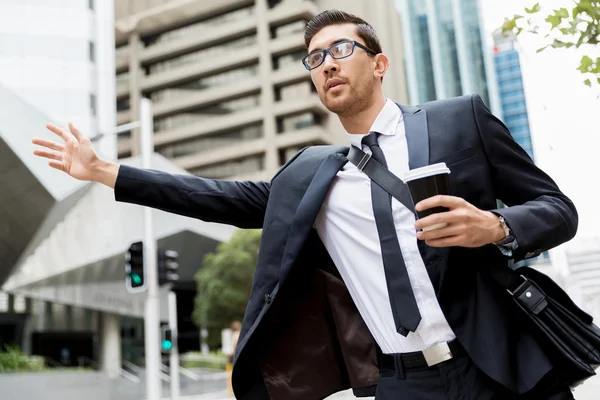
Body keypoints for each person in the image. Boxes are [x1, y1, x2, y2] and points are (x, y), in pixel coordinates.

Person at [32, 9, 579, 400]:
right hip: (402, 383)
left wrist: (495, 226)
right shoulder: (314, 175)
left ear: (379, 62)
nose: (327, 64)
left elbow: (557, 208)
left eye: (342, 49)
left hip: (499, 364)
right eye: (314, 58)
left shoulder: (459, 119)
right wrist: (105, 172)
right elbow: (217, 198)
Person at [226, 321, 242, 396]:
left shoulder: (235, 334)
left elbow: (235, 347)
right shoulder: (242, 333)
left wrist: (230, 354)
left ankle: (232, 390)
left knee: (232, 373)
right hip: (240, 355)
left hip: (235, 356)